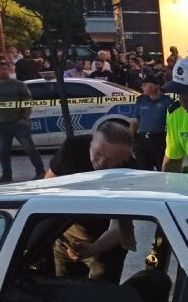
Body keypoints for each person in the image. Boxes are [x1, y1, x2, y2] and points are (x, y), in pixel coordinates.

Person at [44, 121, 140, 282]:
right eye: (98, 153)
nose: (101, 163)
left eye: (110, 160)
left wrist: (94, 249)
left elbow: (119, 228)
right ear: (92, 141)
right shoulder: (72, 148)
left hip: (107, 243)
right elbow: (47, 186)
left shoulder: (130, 173)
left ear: (125, 158)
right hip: (66, 235)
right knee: (63, 294)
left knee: (100, 298)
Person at [0, 62, 44, 182]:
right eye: (0, 69)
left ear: (10, 70)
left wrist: (24, 118)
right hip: (2, 124)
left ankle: (40, 171)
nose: (3, 71)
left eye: (5, 68)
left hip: (18, 123)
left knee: (29, 148)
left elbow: (27, 101)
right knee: (3, 151)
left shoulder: (19, 85)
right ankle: (6, 175)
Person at [129, 73, 169, 170]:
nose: (142, 87)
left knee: (162, 170)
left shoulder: (167, 101)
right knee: (143, 171)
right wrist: (129, 141)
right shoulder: (140, 101)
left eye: (145, 84)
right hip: (142, 141)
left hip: (160, 140)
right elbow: (134, 122)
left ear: (154, 86)